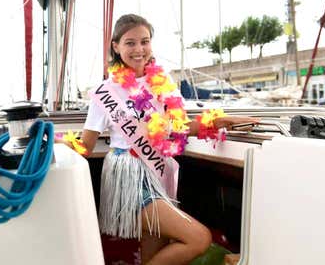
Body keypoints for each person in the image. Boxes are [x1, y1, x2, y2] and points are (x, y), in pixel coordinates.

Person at [62, 14, 259, 265]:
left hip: (157, 172)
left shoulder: (163, 83)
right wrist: (52, 142)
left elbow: (180, 127)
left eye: (144, 41)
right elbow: (85, 146)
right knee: (198, 238)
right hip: (128, 177)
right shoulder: (105, 92)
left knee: (153, 254)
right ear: (116, 46)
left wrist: (218, 121)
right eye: (130, 43)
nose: (139, 49)